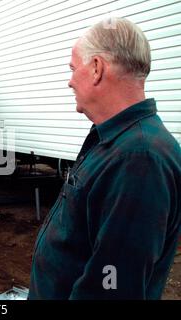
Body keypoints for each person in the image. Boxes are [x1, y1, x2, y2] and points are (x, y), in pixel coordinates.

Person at [28, 18, 181, 299]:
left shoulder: (140, 159)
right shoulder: (119, 141)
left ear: (96, 68)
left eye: (74, 69)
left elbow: (111, 288)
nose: (70, 80)